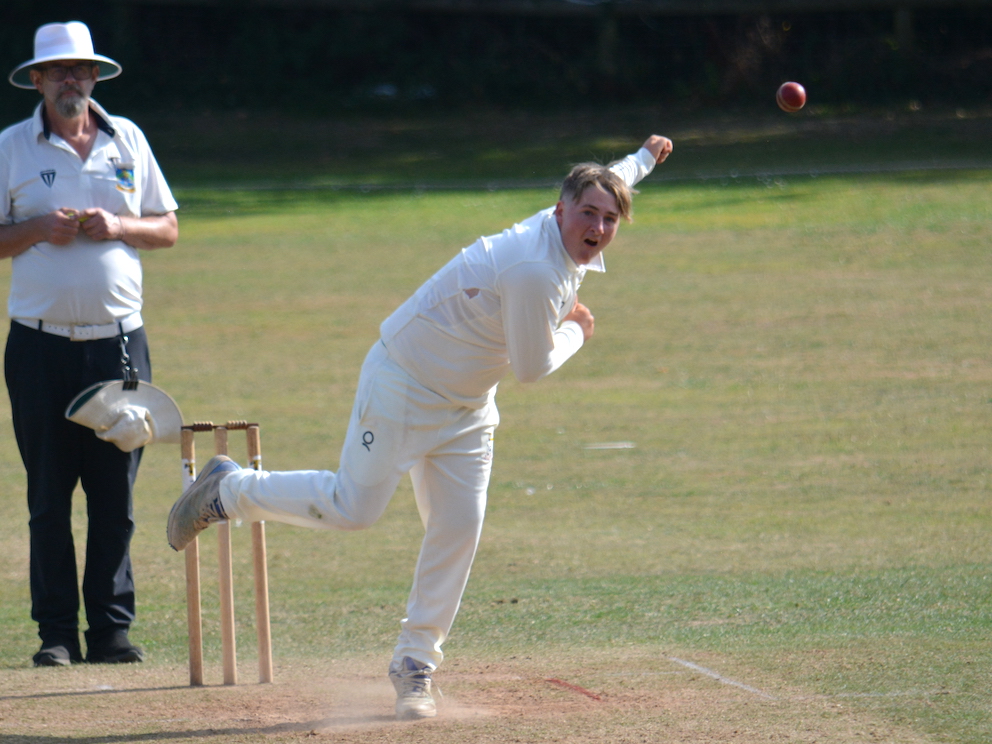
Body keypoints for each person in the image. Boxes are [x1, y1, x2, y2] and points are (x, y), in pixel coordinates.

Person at [168, 133, 672, 717]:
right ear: (560, 211)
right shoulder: (535, 269)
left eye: (611, 219)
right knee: (351, 510)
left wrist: (642, 159)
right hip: (404, 383)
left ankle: (415, 665)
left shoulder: (566, 222)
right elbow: (533, 367)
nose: (600, 226)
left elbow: (609, 180)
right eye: (589, 214)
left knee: (459, 526)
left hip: (467, 405)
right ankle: (227, 490)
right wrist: (577, 331)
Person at [0, 21, 179, 667]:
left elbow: (167, 228)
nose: (71, 79)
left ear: (95, 77)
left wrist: (118, 225)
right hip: (40, 346)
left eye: (81, 69)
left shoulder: (126, 138)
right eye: (58, 70)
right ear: (38, 80)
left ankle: (109, 630)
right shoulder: (13, 147)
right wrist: (34, 229)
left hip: (119, 347)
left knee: (114, 496)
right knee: (49, 496)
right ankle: (55, 634)